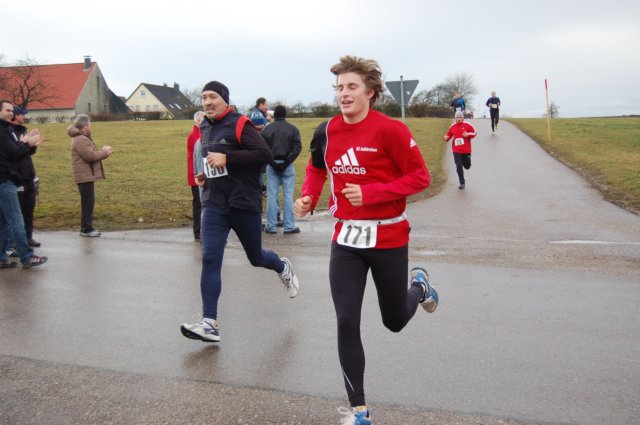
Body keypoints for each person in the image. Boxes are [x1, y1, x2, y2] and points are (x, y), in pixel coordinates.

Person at [293, 56, 439, 425]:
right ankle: (359, 410)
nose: (343, 94)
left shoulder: (390, 130)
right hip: (346, 239)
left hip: (388, 235)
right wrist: (309, 196)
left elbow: (421, 177)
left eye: (351, 87)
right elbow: (316, 168)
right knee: (346, 320)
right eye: (339, 87)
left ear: (370, 92)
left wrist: (371, 194)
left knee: (394, 320)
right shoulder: (326, 132)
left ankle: (419, 288)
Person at [180, 81, 299, 344]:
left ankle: (282, 267)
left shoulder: (240, 124)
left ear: (225, 99)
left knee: (256, 257)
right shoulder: (204, 126)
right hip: (214, 203)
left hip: (243, 202)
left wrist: (228, 158)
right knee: (210, 258)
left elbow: (264, 154)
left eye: (212, 97)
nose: (207, 102)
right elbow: (213, 161)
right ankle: (210, 323)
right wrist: (205, 175)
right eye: (203, 97)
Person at [0, 99, 48, 269]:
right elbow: (13, 152)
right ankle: (26, 256)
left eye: (12, 110)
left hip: (11, 179)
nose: (11, 113)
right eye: (8, 110)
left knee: (4, 222)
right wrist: (25, 143)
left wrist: (29, 145)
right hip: (5, 180)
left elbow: (18, 151)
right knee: (16, 218)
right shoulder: (2, 131)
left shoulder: (7, 130)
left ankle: (2, 257)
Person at [68, 114, 113, 237]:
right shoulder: (80, 139)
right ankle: (86, 229)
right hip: (84, 176)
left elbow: (91, 154)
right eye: (89, 123)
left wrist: (102, 152)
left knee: (88, 202)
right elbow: (91, 156)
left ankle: (87, 228)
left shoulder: (81, 138)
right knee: (87, 203)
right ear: (85, 125)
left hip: (85, 175)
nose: (90, 126)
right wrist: (104, 152)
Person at [261, 105, 302, 234]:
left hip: (272, 165)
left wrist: (272, 162)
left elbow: (262, 148)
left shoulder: (266, 129)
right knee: (288, 196)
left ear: (274, 115)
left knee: (272, 196)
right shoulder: (293, 129)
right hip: (287, 165)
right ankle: (289, 226)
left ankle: (271, 226)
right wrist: (287, 162)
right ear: (285, 114)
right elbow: (297, 147)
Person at [10, 105, 41, 247]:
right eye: (21, 114)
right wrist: (27, 144)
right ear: (15, 116)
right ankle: (15, 242)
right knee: (19, 211)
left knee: (29, 209)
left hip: (29, 176)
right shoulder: (9, 133)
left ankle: (28, 237)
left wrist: (32, 144)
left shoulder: (22, 131)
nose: (24, 116)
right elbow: (15, 153)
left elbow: (28, 153)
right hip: (18, 179)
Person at [444, 111, 477, 189]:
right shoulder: (452, 126)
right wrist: (446, 137)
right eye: (457, 117)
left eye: (460, 117)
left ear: (462, 118)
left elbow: (475, 133)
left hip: (466, 150)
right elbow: (448, 135)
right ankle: (462, 183)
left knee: (467, 166)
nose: (459, 119)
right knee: (458, 166)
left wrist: (468, 134)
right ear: (455, 118)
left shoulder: (467, 125)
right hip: (456, 150)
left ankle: (466, 163)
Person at [187, 111, 206, 241]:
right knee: (198, 204)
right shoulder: (195, 136)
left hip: (198, 174)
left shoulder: (200, 134)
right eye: (202, 120)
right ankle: (198, 231)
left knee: (200, 204)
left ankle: (200, 231)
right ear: (197, 121)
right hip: (196, 175)